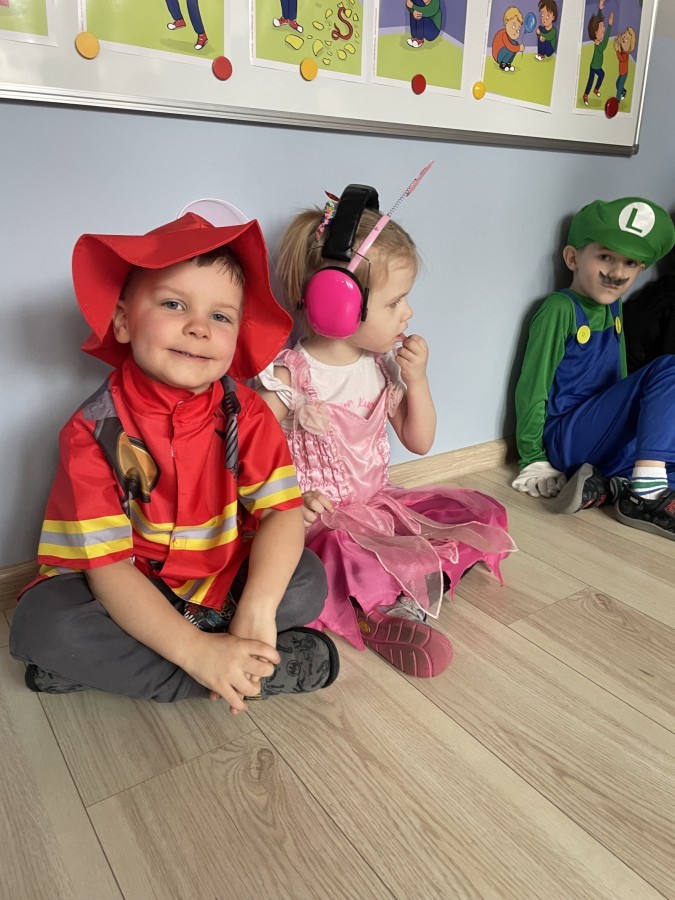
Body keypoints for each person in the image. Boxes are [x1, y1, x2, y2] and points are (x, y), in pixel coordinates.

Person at [9, 213, 339, 712]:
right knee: (43, 623)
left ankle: (151, 664)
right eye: (173, 304)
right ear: (123, 320)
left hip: (218, 580)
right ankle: (239, 671)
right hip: (128, 589)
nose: (198, 328)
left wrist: (257, 609)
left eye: (221, 317)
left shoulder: (249, 414)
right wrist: (195, 652)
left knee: (306, 580)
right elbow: (109, 569)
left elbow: (280, 512)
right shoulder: (92, 431)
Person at [256, 184, 515, 678]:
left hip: (379, 503)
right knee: (343, 556)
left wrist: (418, 381)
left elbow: (420, 441)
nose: (408, 312)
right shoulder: (291, 377)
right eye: (395, 301)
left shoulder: (379, 367)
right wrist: (291, 500)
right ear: (336, 304)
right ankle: (379, 612)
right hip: (324, 522)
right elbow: (251, 460)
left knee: (482, 514)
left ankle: (406, 586)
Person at [512, 197, 675, 541]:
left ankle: (613, 488)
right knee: (669, 367)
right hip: (567, 436)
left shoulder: (615, 307)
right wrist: (532, 458)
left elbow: (618, 378)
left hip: (602, 436)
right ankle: (644, 496)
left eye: (630, 263)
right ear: (573, 258)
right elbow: (532, 386)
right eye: (605, 257)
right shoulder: (560, 309)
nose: (617, 273)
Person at [582, 1, 614, 106]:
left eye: (604, 27)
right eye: (602, 28)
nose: (604, 29)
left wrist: (600, 9)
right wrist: (610, 25)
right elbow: (605, 39)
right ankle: (586, 95)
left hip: (595, 65)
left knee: (600, 75)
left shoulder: (597, 41)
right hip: (595, 67)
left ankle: (594, 90)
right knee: (592, 80)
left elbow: (597, 22)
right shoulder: (600, 47)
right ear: (596, 33)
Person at [491, 7, 524, 73]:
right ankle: (503, 64)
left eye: (518, 30)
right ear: (506, 22)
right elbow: (509, 46)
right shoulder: (504, 34)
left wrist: (518, 47)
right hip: (498, 56)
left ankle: (508, 63)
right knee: (513, 46)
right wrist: (519, 48)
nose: (515, 31)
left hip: (503, 52)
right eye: (514, 26)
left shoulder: (509, 35)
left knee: (515, 44)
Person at [614, 26, 636, 103]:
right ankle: (624, 91)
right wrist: (618, 41)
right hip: (621, 72)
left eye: (627, 39)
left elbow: (621, 59)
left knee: (619, 86)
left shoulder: (625, 54)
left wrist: (617, 51)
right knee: (617, 84)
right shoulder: (623, 50)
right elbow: (620, 42)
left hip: (624, 73)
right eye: (624, 36)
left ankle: (617, 100)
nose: (624, 39)